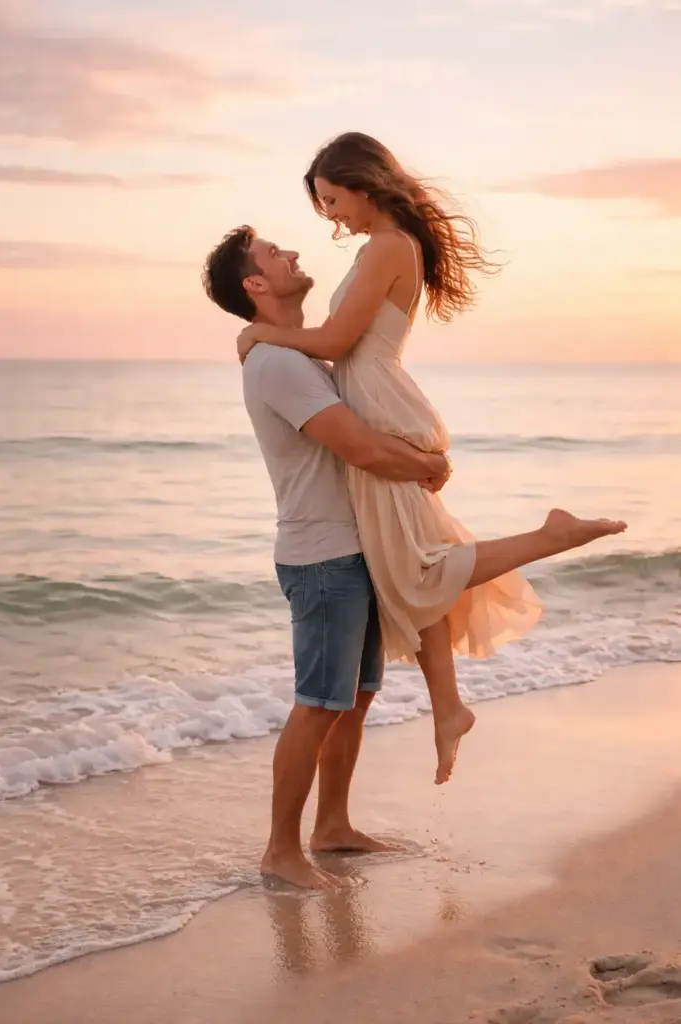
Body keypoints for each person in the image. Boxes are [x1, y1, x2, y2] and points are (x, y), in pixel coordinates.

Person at [202, 225, 626, 889]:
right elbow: (360, 447)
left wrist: (417, 464)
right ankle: (281, 852)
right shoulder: (278, 364)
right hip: (322, 559)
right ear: (255, 285)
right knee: (318, 703)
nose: (288, 253)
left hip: (353, 550)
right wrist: (427, 463)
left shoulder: (299, 356)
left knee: (355, 697)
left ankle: (331, 827)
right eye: (271, 254)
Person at [234, 132, 628, 786]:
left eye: (332, 199)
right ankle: (447, 709)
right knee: (412, 567)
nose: (331, 215)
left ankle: (550, 536)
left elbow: (335, 340)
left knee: (417, 570)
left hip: (384, 410)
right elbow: (337, 346)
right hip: (382, 405)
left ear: (363, 183)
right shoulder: (384, 247)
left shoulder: (388, 247)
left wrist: (259, 332)